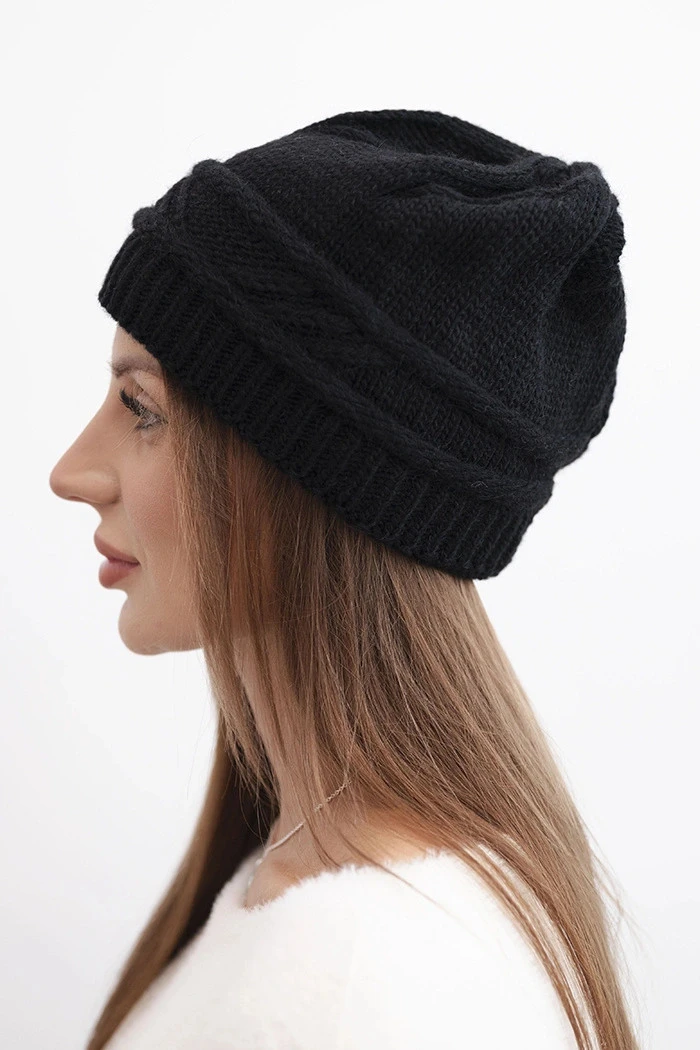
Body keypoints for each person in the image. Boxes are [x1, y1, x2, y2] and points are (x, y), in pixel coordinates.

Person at [49, 108, 639, 1050]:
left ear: (309, 477)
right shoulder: (314, 896)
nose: (72, 472)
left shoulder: (356, 980)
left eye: (141, 408)